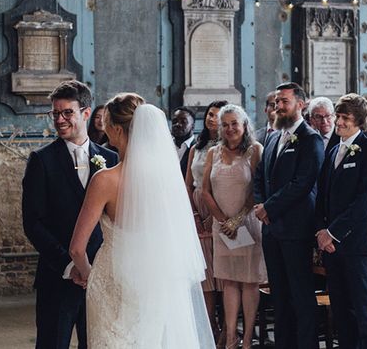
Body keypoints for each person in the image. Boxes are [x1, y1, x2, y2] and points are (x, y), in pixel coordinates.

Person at [68, 94, 213, 348]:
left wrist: (89, 275)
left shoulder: (105, 180)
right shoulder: (166, 179)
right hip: (155, 281)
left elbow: (77, 248)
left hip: (112, 280)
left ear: (115, 129)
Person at [22, 80, 118, 349]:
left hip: (101, 275)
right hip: (57, 275)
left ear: (86, 113)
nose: (60, 120)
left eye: (67, 113)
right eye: (55, 114)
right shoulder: (41, 160)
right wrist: (70, 264)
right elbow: (33, 223)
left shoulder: (110, 159)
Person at [253, 81, 323, 348]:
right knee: (279, 295)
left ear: (300, 105)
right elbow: (260, 176)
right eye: (276, 102)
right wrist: (261, 205)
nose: (278, 106)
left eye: (284, 101)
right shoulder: (272, 137)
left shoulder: (310, 138)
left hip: (295, 228)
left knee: (300, 294)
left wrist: (269, 207)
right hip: (271, 229)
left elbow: (303, 183)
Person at [315, 93, 367, 349]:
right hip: (331, 245)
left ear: (359, 121)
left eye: (345, 118)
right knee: (341, 311)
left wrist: (332, 233)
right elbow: (321, 195)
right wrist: (321, 230)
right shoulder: (334, 150)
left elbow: (364, 201)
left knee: (363, 310)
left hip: (356, 245)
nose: (339, 123)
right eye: (339, 117)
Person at [203, 105, 266, 349]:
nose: (230, 129)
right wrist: (221, 219)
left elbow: (257, 189)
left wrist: (238, 219)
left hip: (247, 223)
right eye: (225, 124)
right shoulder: (213, 152)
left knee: (249, 282)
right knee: (228, 282)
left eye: (234, 123)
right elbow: (205, 190)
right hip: (222, 226)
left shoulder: (254, 150)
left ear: (244, 125)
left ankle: (248, 338)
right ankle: (231, 337)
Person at [185, 99, 226, 343]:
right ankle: (209, 327)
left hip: (222, 209)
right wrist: (195, 215)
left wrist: (216, 216)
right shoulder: (196, 148)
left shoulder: (230, 147)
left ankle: (226, 327)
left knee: (224, 275)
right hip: (198, 207)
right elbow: (187, 183)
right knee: (206, 275)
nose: (212, 119)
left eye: (218, 116)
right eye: (210, 114)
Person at [172, 107, 196, 177]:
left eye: (183, 122)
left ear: (193, 126)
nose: (178, 124)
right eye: (174, 121)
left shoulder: (198, 148)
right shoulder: (165, 146)